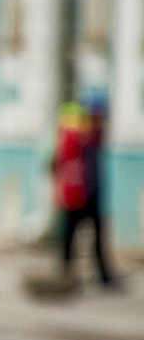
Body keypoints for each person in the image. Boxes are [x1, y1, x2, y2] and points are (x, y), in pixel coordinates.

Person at [54, 91, 124, 291]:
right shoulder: (76, 137)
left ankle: (103, 275)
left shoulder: (94, 137)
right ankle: (67, 274)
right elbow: (59, 162)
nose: (99, 121)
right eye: (96, 117)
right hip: (76, 195)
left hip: (91, 195)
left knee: (97, 236)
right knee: (69, 235)